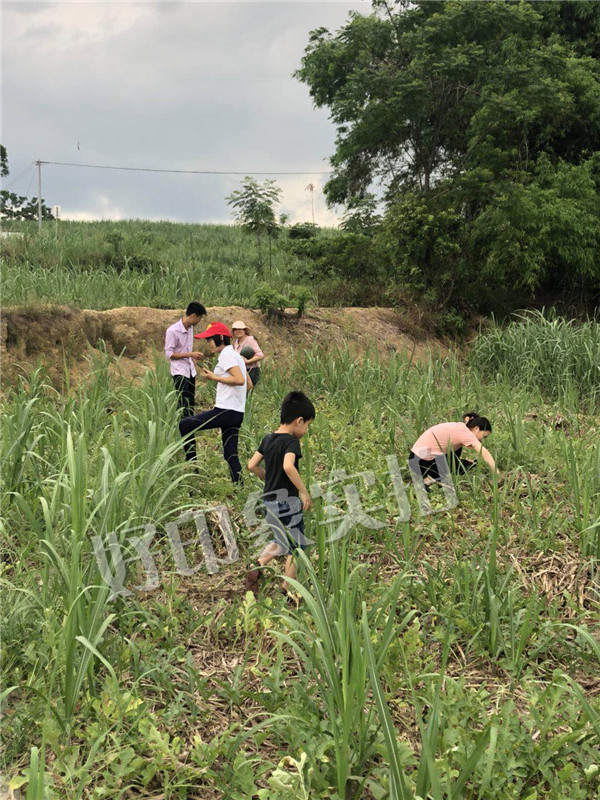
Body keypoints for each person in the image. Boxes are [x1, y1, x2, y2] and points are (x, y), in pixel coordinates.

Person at [244, 391, 316, 597]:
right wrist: (303, 492)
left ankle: (257, 565)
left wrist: (268, 479)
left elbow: (251, 465)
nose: (306, 430)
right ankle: (289, 589)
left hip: (269, 501)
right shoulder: (291, 442)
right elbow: (288, 466)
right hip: (288, 502)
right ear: (299, 420)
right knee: (297, 546)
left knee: (281, 541)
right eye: (307, 425)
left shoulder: (268, 439)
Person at [178, 322, 252, 484]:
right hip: (236, 412)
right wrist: (233, 398)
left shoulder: (227, 355)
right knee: (230, 454)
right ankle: (239, 486)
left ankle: (193, 471)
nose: (208, 344)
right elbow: (249, 384)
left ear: (220, 338)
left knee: (185, 425)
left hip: (225, 411)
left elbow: (239, 380)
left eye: (210, 340)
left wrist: (214, 377)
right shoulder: (237, 356)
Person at [409, 416, 497, 487]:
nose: (483, 439)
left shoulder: (460, 427)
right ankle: (428, 481)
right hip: (422, 462)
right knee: (463, 468)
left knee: (463, 457)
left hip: (415, 459)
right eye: (484, 436)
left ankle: (444, 472)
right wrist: (497, 473)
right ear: (476, 428)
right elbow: (484, 452)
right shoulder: (466, 433)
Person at [164, 302, 207, 418]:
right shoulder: (173, 331)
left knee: (190, 402)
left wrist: (192, 357)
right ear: (193, 316)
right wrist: (190, 354)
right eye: (200, 318)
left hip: (190, 370)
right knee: (183, 403)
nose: (200, 321)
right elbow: (169, 354)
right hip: (179, 371)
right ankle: (184, 430)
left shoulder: (190, 329)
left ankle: (190, 429)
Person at [231, 321, 264, 387]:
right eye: (235, 329)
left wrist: (247, 361)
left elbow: (260, 355)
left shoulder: (250, 340)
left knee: (248, 392)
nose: (237, 331)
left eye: (240, 329)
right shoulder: (237, 342)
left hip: (251, 370)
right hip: (242, 371)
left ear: (244, 330)